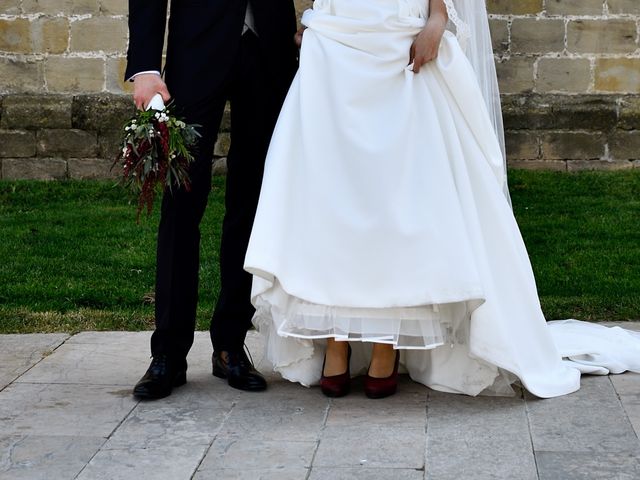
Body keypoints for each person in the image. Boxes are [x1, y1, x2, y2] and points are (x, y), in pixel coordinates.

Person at [243, 0, 640, 399]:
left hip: (399, 39)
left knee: (396, 195)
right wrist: (314, 16)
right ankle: (335, 339)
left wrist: (437, 20)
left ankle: (387, 342)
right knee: (331, 192)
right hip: (336, 43)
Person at [126, 0, 299, 399]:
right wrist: (146, 67)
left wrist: (319, 24)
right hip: (197, 49)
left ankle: (230, 344)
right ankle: (168, 353)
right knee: (181, 201)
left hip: (270, 49)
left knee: (253, 201)